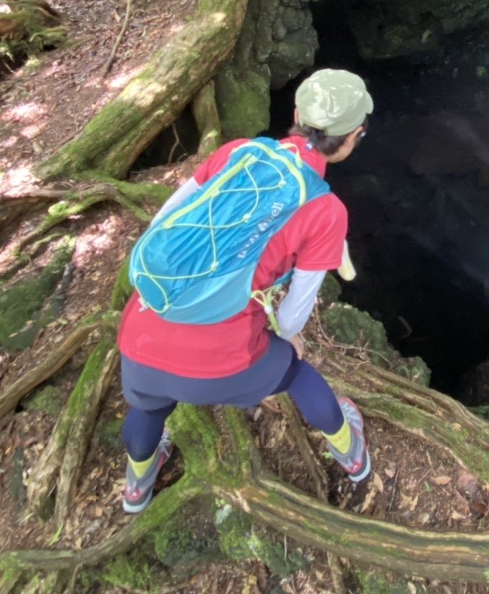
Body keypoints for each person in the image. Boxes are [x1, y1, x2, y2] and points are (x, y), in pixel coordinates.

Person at [115, 69, 375, 513]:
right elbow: (293, 318)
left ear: (295, 115)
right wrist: (286, 337)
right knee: (297, 370)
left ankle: (138, 486)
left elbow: (166, 222)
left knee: (149, 411)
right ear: (353, 138)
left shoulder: (237, 152)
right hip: (226, 362)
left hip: (142, 336)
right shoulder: (326, 211)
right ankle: (351, 454)